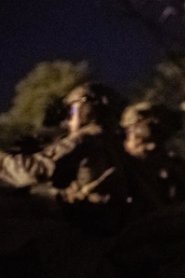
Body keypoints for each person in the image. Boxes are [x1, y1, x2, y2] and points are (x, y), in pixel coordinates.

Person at [0, 82, 132, 234]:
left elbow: (30, 171)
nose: (68, 119)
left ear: (87, 107)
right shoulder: (116, 142)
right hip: (106, 226)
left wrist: (3, 160)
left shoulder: (86, 138)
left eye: (72, 109)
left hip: (84, 231)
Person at [120, 101, 185, 209]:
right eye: (145, 144)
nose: (153, 148)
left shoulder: (174, 166)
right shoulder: (123, 167)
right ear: (129, 133)